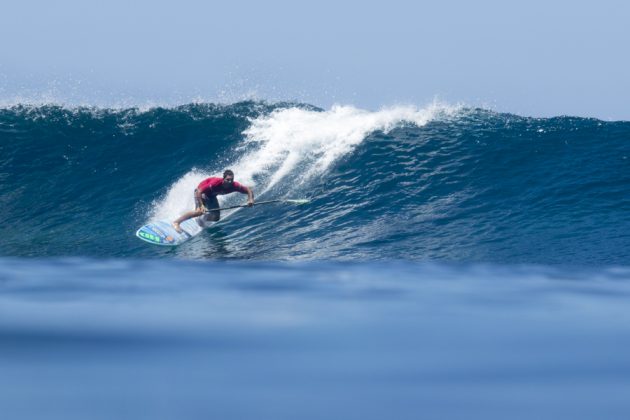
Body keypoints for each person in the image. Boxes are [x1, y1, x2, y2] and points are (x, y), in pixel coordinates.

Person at [172, 169, 254, 232]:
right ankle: (177, 222)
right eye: (227, 180)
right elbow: (198, 191)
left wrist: (250, 199)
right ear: (223, 179)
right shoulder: (215, 183)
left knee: (216, 217)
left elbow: (248, 190)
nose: (230, 182)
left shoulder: (234, 185)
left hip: (211, 196)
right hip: (201, 193)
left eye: (231, 180)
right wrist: (201, 205)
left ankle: (200, 219)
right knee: (199, 211)